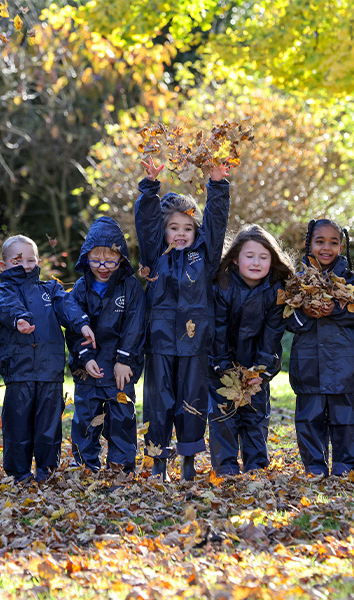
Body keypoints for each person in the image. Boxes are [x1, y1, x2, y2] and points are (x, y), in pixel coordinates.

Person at [135, 157, 232, 481]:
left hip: (195, 342)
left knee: (191, 401)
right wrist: (149, 188)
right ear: (164, 231)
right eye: (173, 228)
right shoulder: (155, 256)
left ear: (196, 231)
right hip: (160, 341)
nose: (180, 234)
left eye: (187, 228)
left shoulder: (204, 256)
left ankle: (189, 463)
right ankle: (158, 462)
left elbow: (217, 223)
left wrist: (217, 185)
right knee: (158, 403)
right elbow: (146, 223)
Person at [0, 235, 95, 483]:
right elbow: (6, 306)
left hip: (50, 368)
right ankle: (19, 472)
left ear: (37, 260)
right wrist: (19, 319)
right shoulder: (4, 290)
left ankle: (46, 470)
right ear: (4, 266)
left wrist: (81, 324)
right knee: (18, 424)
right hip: (19, 368)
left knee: (49, 424)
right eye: (17, 261)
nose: (25, 265)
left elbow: (67, 307)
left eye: (29, 259)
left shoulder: (51, 289)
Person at [65, 216, 146, 475]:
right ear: (86, 258)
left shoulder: (130, 287)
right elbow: (74, 327)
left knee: (122, 417)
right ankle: (85, 466)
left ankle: (120, 467)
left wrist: (124, 360)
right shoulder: (80, 288)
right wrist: (85, 357)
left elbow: (135, 326)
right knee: (86, 419)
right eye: (96, 260)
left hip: (119, 368)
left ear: (121, 259)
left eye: (110, 260)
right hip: (88, 367)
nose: (103, 266)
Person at [208, 224, 290, 475]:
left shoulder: (276, 289)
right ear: (235, 258)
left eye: (263, 257)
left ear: (272, 260)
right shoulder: (222, 284)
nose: (256, 262)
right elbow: (218, 329)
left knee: (255, 416)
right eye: (250, 256)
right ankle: (226, 468)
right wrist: (223, 365)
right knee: (224, 417)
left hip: (258, 364)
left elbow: (273, 334)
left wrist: (261, 370)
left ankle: (256, 467)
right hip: (222, 363)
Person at [287, 219, 354, 477]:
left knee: (344, 419)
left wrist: (336, 309)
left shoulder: (351, 280)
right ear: (309, 244)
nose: (326, 248)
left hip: (343, 365)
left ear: (341, 246)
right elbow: (288, 319)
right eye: (320, 241)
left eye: (333, 242)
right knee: (309, 418)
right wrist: (307, 313)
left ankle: (344, 466)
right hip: (308, 364)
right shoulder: (298, 281)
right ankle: (315, 467)